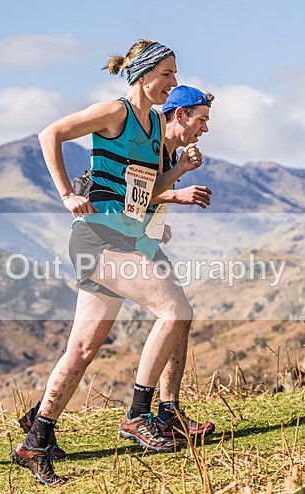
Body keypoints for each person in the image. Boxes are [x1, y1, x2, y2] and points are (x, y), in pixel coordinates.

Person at [11, 39, 203, 485]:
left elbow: (144, 191)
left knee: (81, 350)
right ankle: (139, 415)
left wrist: (176, 179)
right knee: (175, 311)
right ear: (143, 73)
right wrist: (67, 194)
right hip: (97, 241)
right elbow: (50, 134)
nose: (172, 83)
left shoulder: (156, 127)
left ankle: (35, 440)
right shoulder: (116, 111)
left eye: (174, 75)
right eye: (167, 75)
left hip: (124, 239)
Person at [137, 85, 216, 440]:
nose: (206, 129)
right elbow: (134, 192)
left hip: (145, 241)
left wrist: (157, 223)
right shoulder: (150, 145)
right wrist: (178, 193)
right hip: (116, 244)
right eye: (201, 120)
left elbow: (147, 198)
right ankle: (141, 415)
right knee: (84, 347)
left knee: (182, 316)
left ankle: (169, 412)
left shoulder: (171, 153)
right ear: (180, 115)